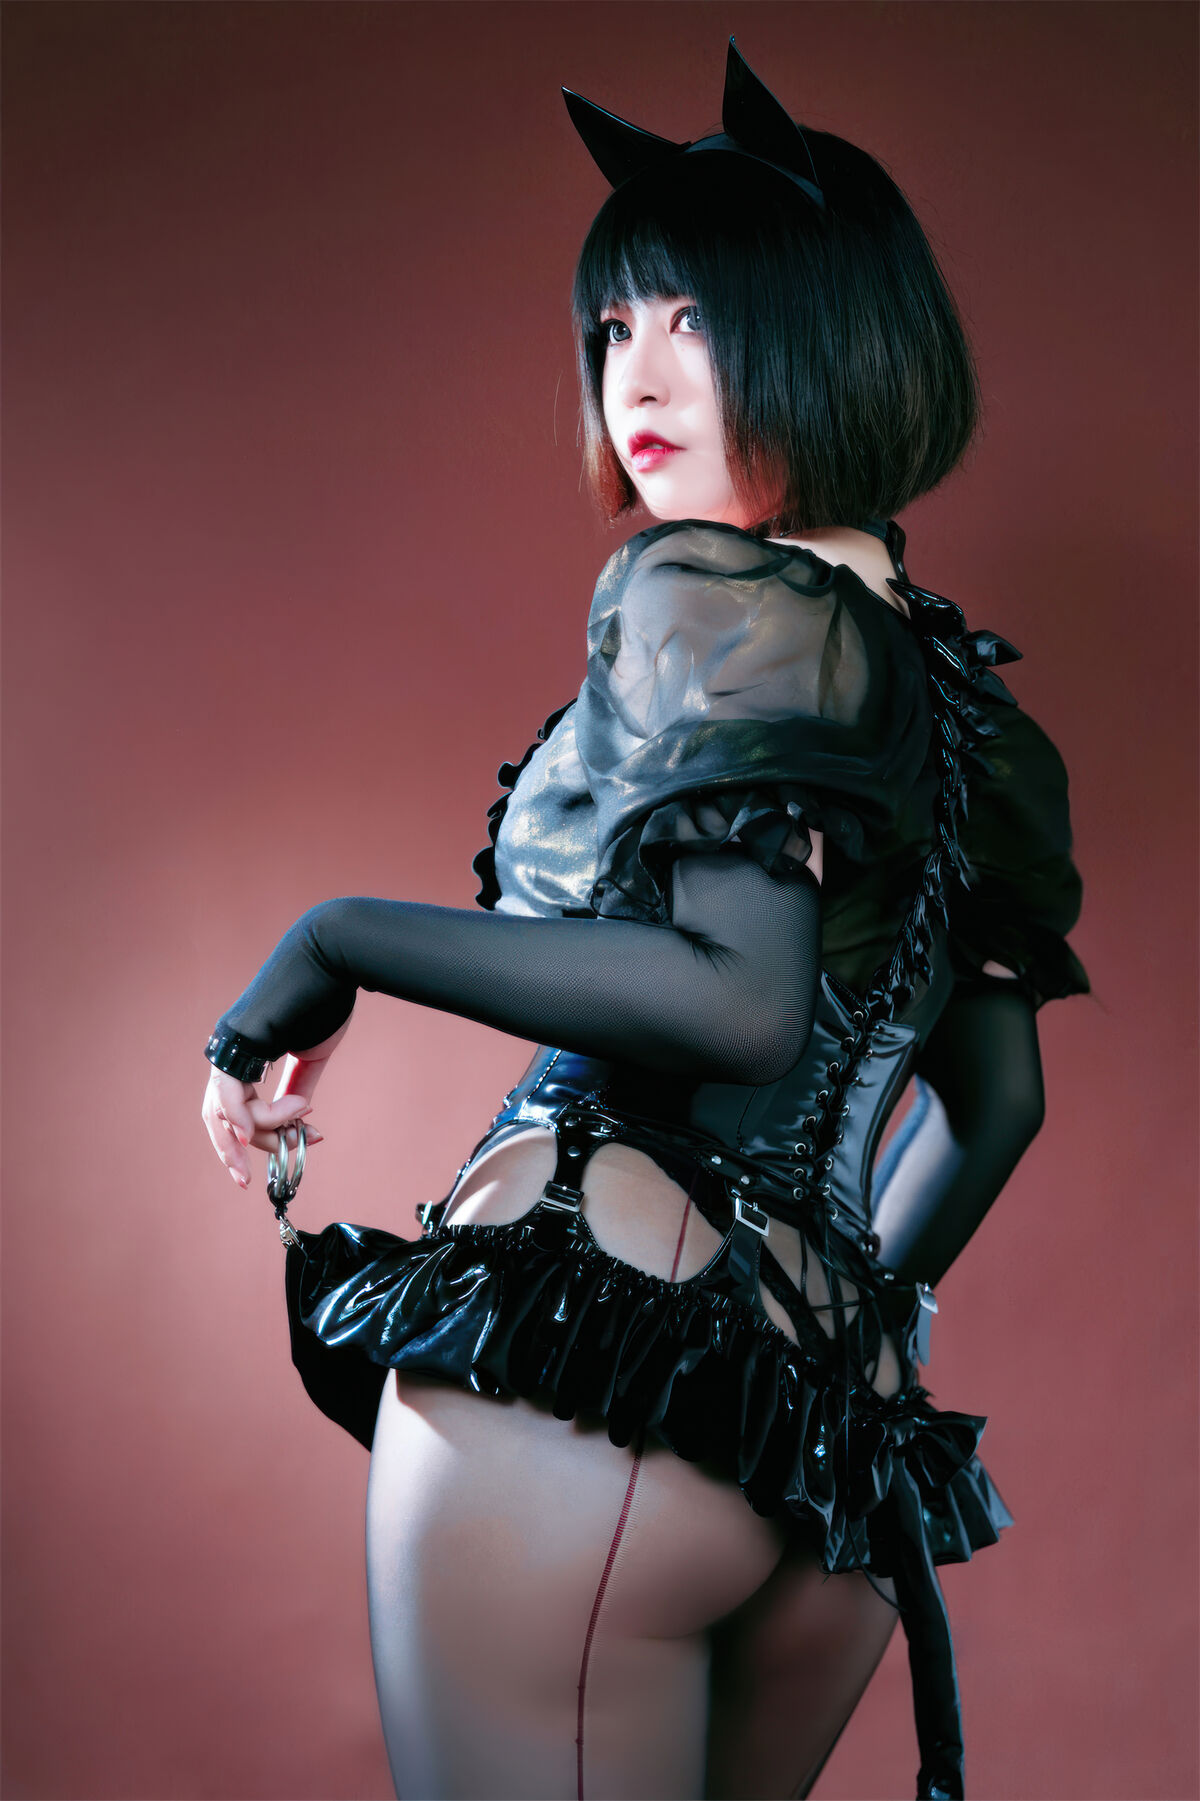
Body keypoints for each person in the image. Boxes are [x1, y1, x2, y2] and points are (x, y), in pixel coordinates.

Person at [200, 40, 1088, 1801]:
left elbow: (738, 1002)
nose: (638, 373)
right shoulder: (975, 722)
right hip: (824, 1464)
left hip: (586, 1398)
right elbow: (998, 1105)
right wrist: (837, 1337)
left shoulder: (711, 597)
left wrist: (336, 942)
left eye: (697, 317)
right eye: (616, 327)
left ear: (830, 334)